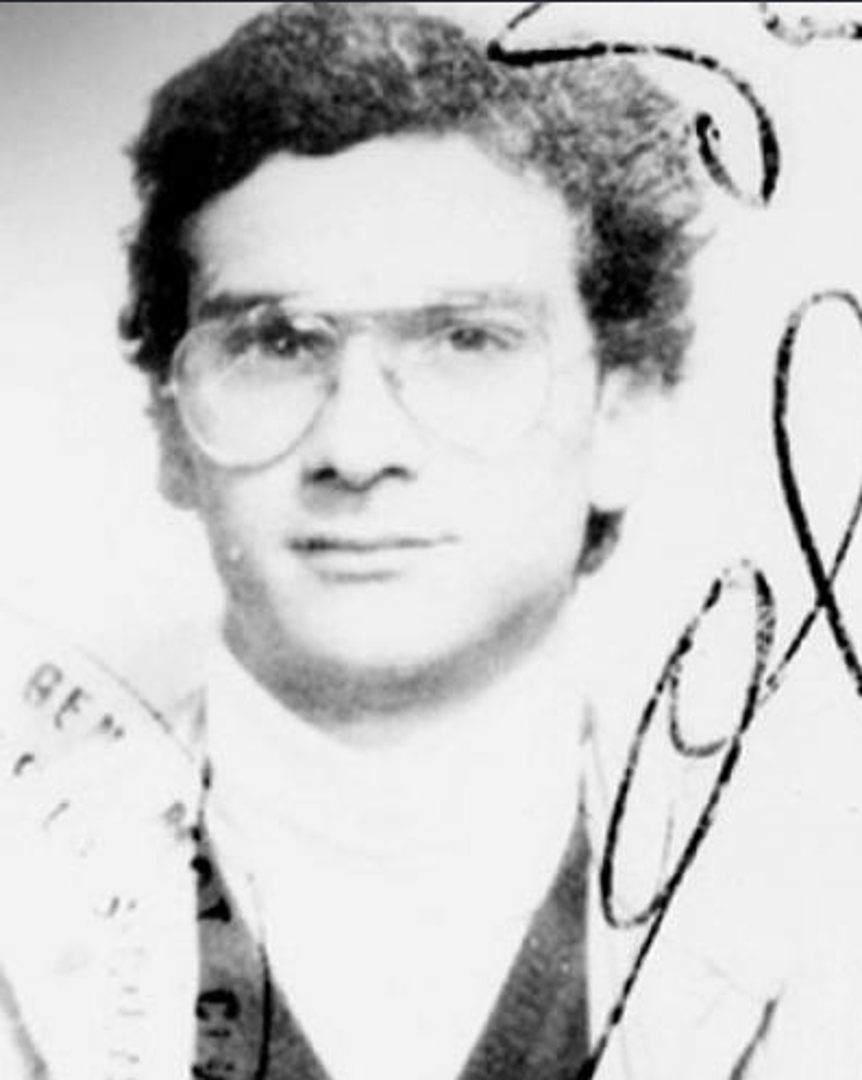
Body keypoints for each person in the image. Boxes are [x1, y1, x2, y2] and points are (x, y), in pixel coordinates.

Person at [1, 4, 860, 1079]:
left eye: (467, 340)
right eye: (276, 343)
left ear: (620, 419)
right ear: (171, 429)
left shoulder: (821, 920)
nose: (357, 449)